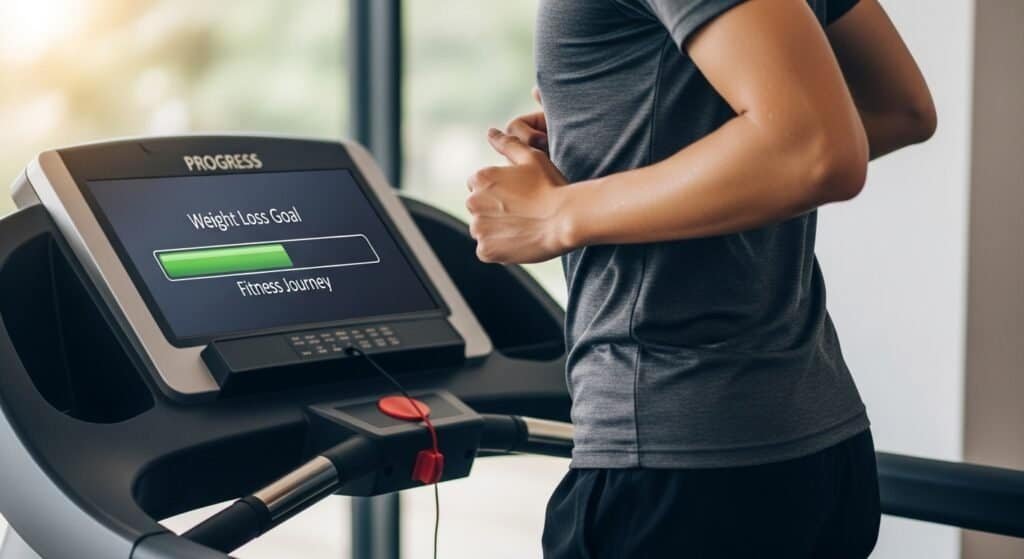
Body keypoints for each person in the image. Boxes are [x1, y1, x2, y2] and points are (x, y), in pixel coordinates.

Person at [466, 0, 935, 557]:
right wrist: (629, 137)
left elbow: (817, 148)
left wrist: (560, 214)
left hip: (681, 464)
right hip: (815, 446)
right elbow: (894, 107)